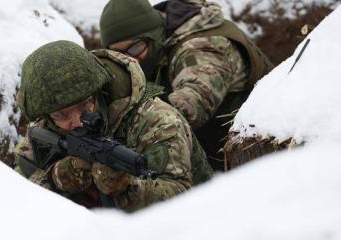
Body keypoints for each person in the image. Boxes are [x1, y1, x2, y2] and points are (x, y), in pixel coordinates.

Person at [14, 40, 213, 212]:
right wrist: (57, 178)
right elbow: (10, 197)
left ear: (99, 91)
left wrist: (128, 190)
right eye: (61, 114)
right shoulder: (45, 128)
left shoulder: (157, 121)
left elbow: (183, 200)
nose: (76, 121)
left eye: (85, 105)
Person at [99, 0, 274, 170]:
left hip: (265, 157)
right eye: (118, 54)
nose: (130, 60)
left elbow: (191, 103)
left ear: (153, 36)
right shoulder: (156, 45)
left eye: (135, 49)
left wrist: (129, 130)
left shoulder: (202, 49)